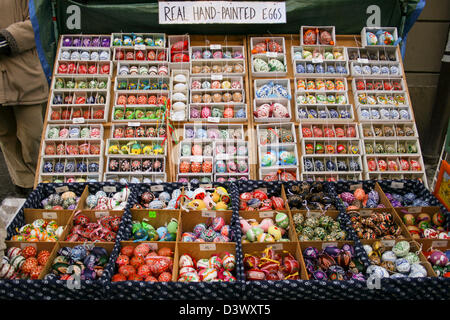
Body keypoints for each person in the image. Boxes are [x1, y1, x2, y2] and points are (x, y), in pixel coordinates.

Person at [0, 0, 48, 197]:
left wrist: (7, 38)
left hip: (26, 76)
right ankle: (25, 187)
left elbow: (39, 20)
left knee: (33, 136)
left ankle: (42, 182)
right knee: (5, 136)